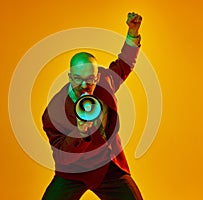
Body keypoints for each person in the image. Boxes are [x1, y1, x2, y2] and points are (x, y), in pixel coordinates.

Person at [41, 12, 143, 200]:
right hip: (73, 172)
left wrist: (132, 34)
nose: (83, 85)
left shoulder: (106, 81)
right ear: (70, 77)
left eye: (89, 79)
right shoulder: (53, 112)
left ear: (97, 77)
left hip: (108, 167)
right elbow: (62, 157)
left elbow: (124, 64)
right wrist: (78, 135)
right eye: (77, 79)